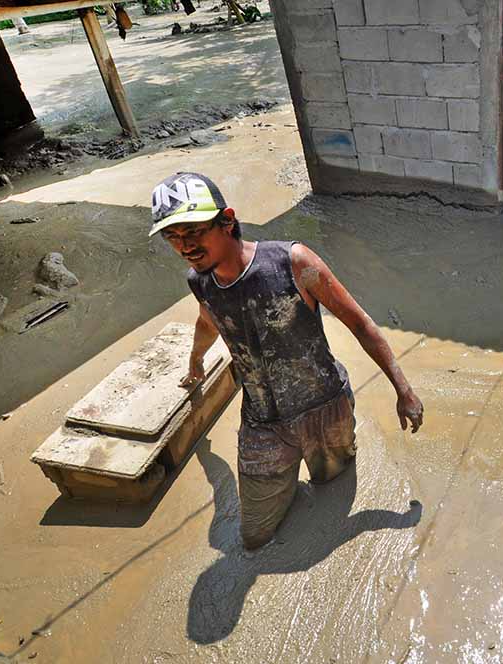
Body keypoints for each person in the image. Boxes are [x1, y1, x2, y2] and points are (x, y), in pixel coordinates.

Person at [149, 172, 424, 550]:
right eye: (173, 237)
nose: (185, 247)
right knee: (254, 537)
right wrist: (195, 361)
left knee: (332, 483)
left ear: (227, 220)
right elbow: (208, 320)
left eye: (194, 232)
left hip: (327, 409)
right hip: (263, 424)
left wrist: (403, 390)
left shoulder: (294, 263)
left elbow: (359, 323)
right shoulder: (200, 281)